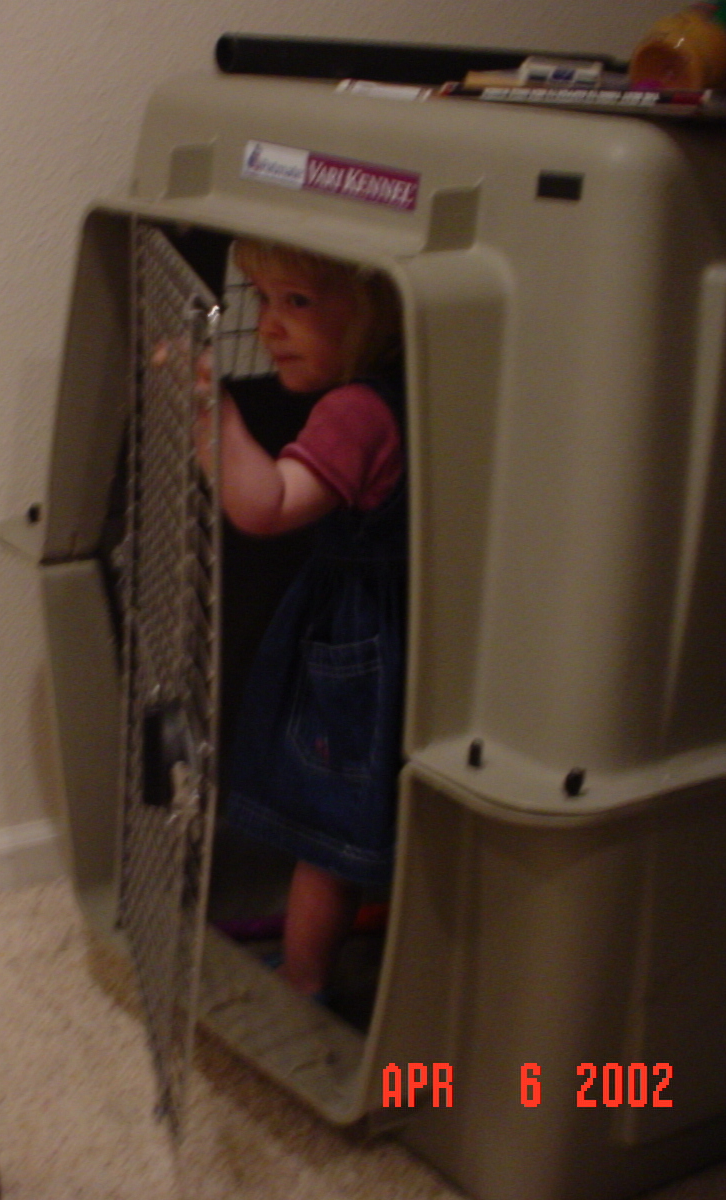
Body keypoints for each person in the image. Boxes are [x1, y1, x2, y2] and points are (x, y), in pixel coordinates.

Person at [198, 238, 406, 1002]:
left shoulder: (356, 411)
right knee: (367, 812)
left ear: (375, 309)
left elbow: (265, 504)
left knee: (327, 827)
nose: (270, 325)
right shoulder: (416, 384)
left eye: (299, 303)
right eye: (261, 298)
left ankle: (305, 979)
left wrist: (208, 412)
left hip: (357, 641)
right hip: (408, 623)